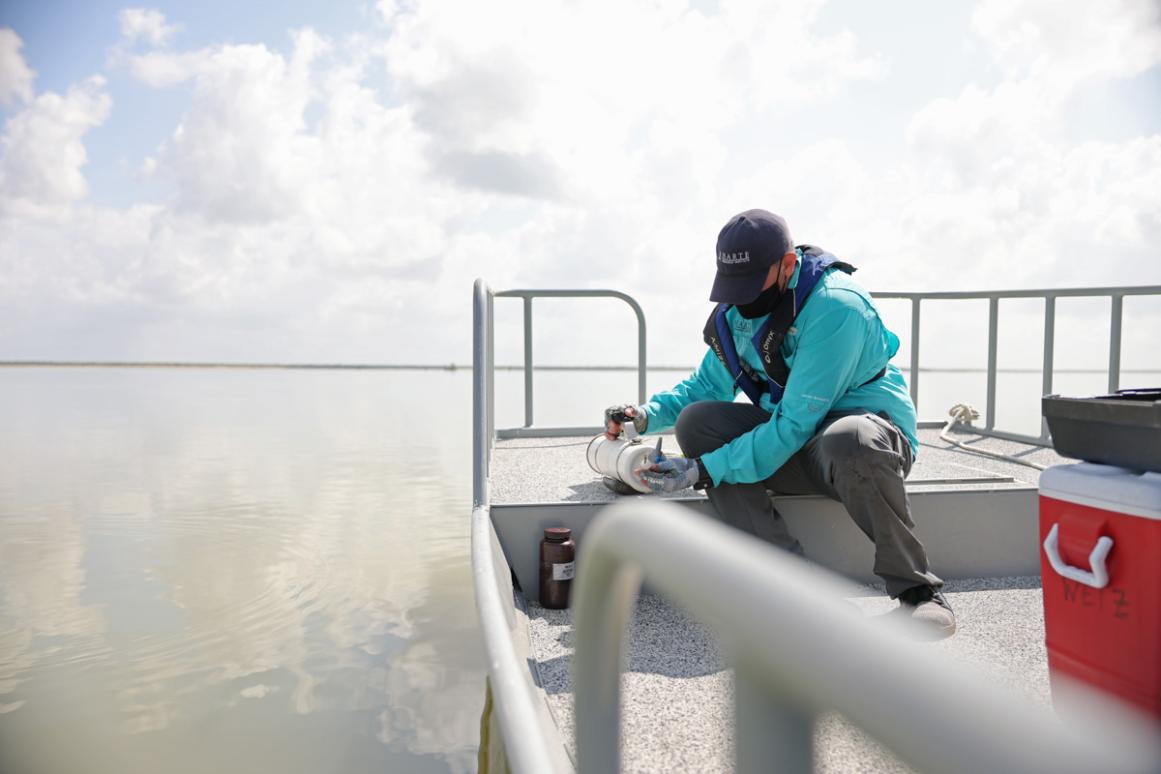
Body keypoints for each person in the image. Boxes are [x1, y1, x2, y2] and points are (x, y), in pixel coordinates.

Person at [603, 208, 955, 637]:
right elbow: (706, 387)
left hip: (862, 447)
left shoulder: (835, 308)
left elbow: (793, 423)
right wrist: (642, 415)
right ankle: (794, 589)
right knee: (698, 424)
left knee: (851, 438)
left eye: (751, 285)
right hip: (794, 443)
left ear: (788, 265)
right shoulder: (737, 311)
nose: (742, 302)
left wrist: (702, 469)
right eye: (733, 288)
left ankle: (918, 591)